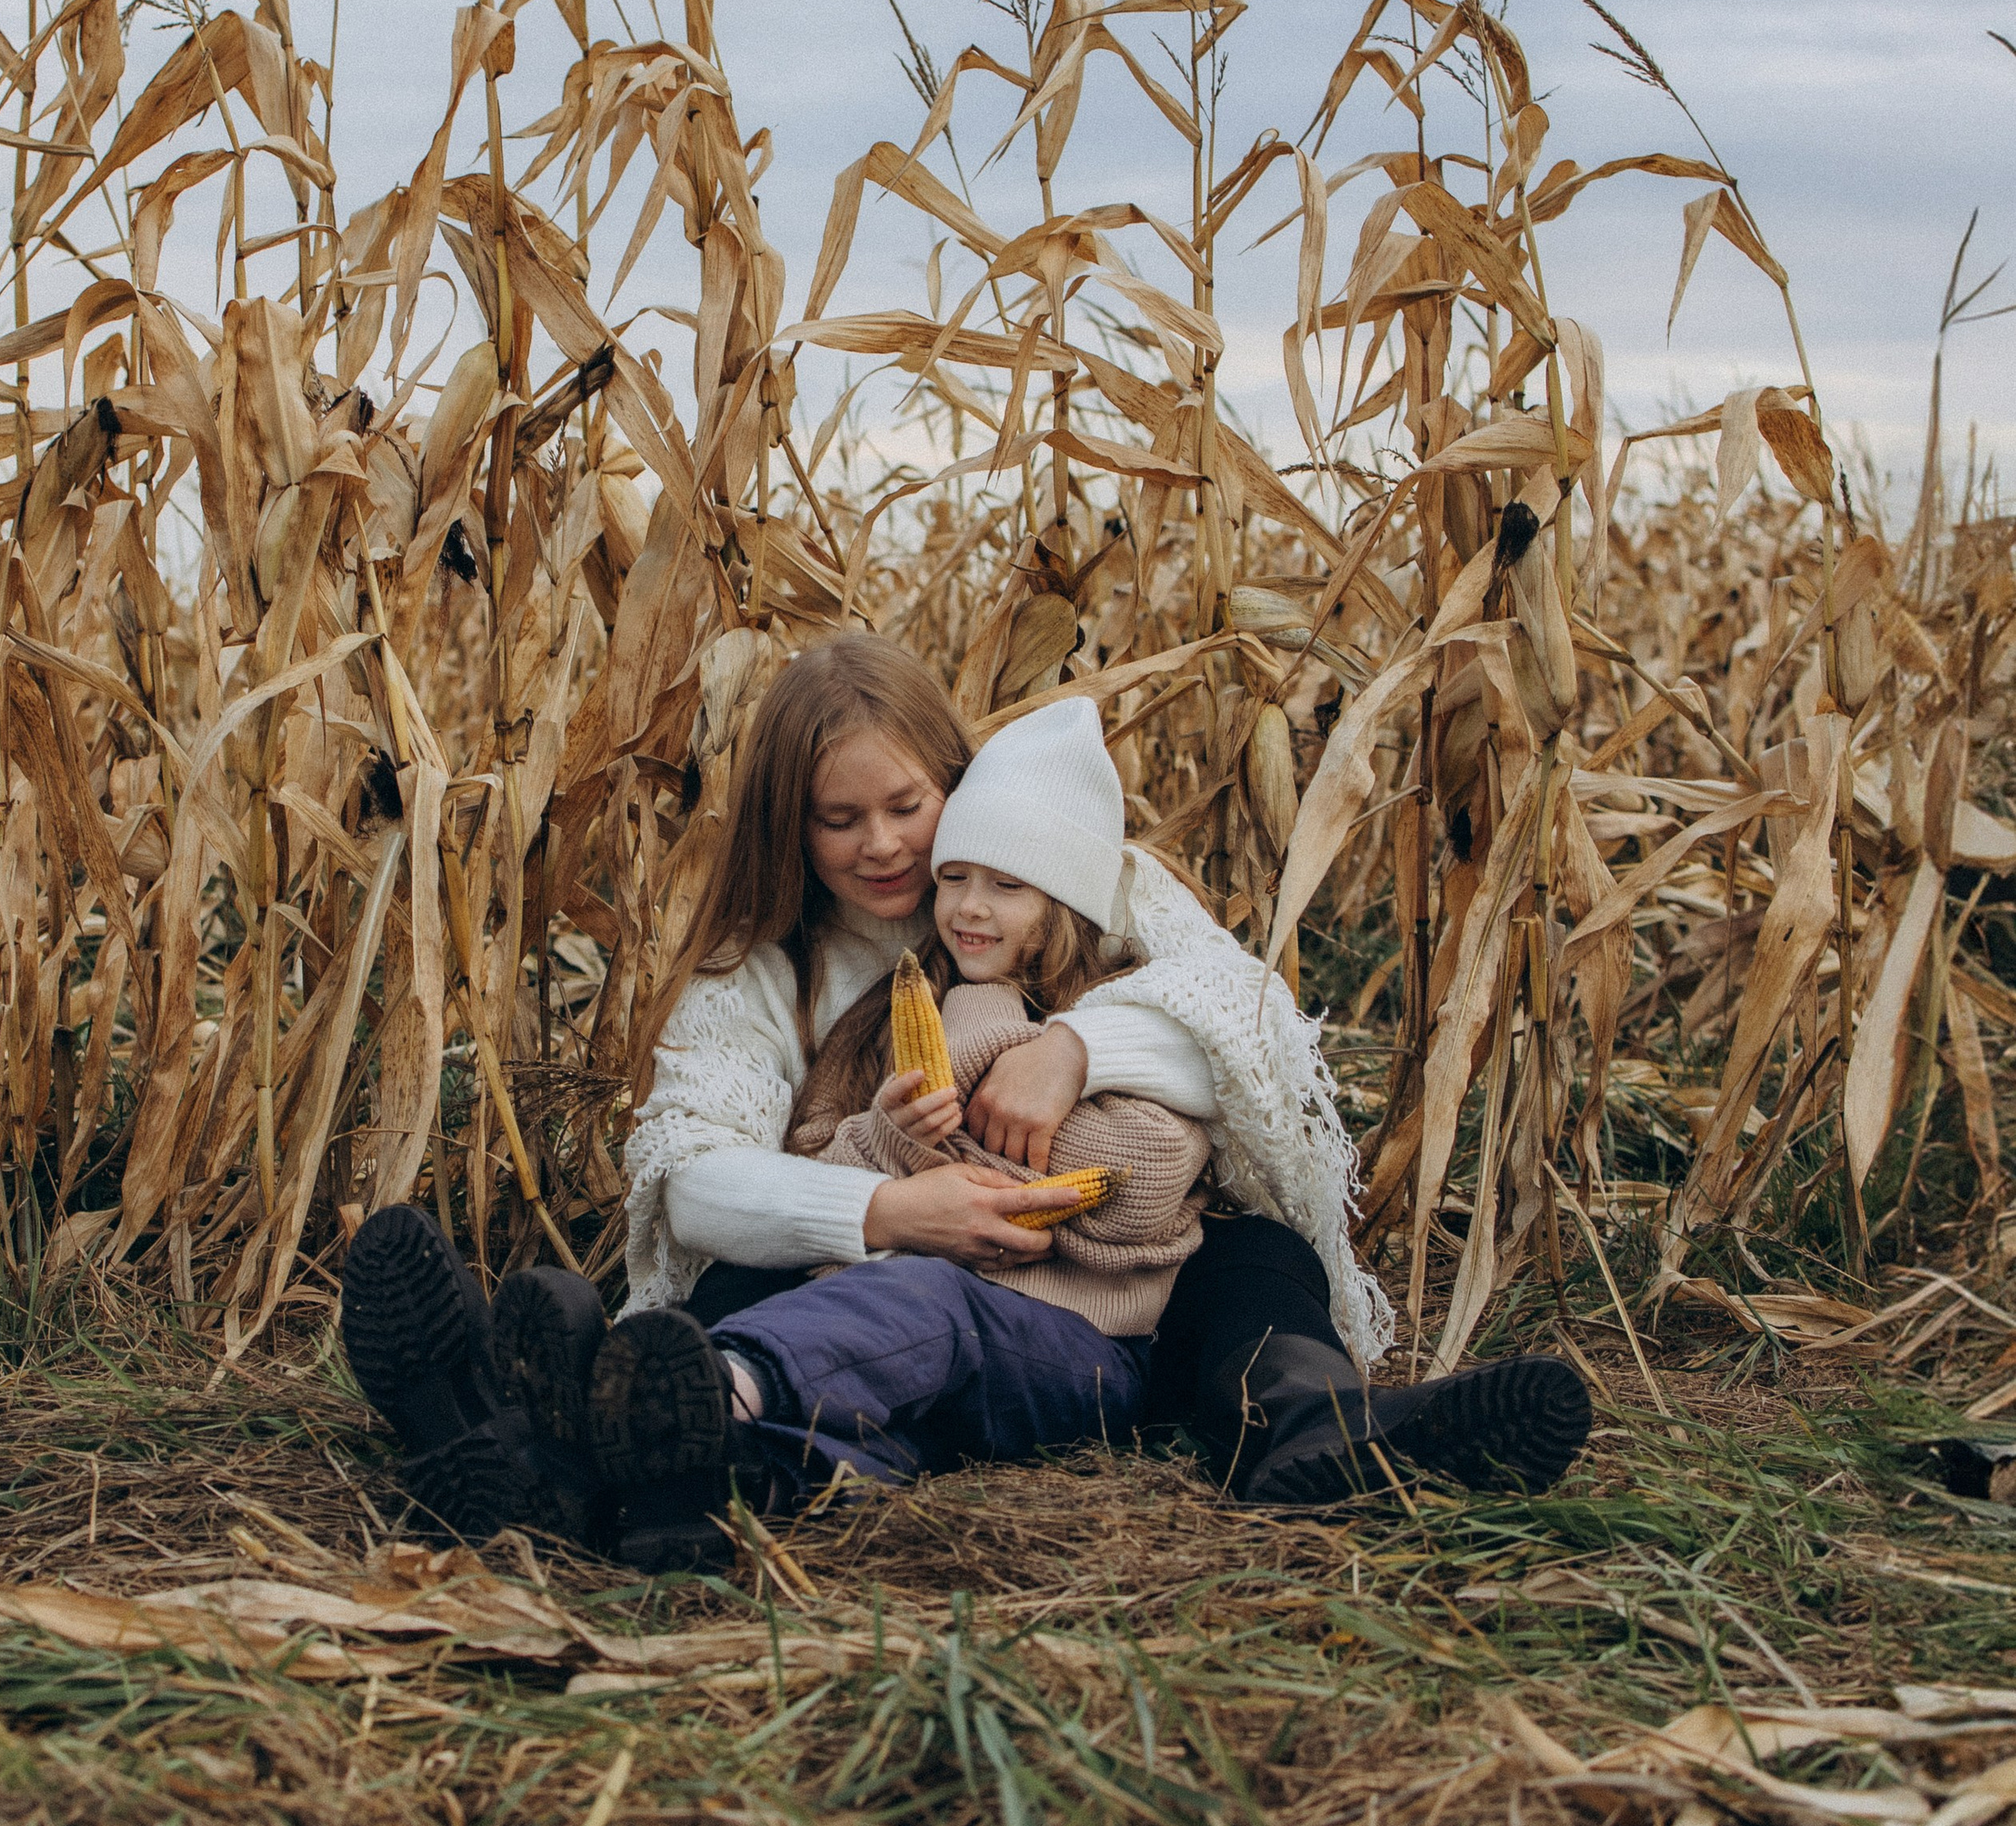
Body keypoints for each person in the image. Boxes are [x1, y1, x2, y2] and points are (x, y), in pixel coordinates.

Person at [340, 635, 1589, 1550]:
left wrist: (1077, 1053)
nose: (887, 847)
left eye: (908, 807)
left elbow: (1245, 1020)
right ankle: (573, 1438)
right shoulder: (763, 978)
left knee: (1252, 1256)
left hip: (1089, 1300)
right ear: (794, 826)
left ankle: (1322, 1423)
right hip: (865, 1268)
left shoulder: (1071, 877)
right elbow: (695, 1178)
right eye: (842, 820)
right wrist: (892, 1208)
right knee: (765, 1287)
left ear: (963, 785)